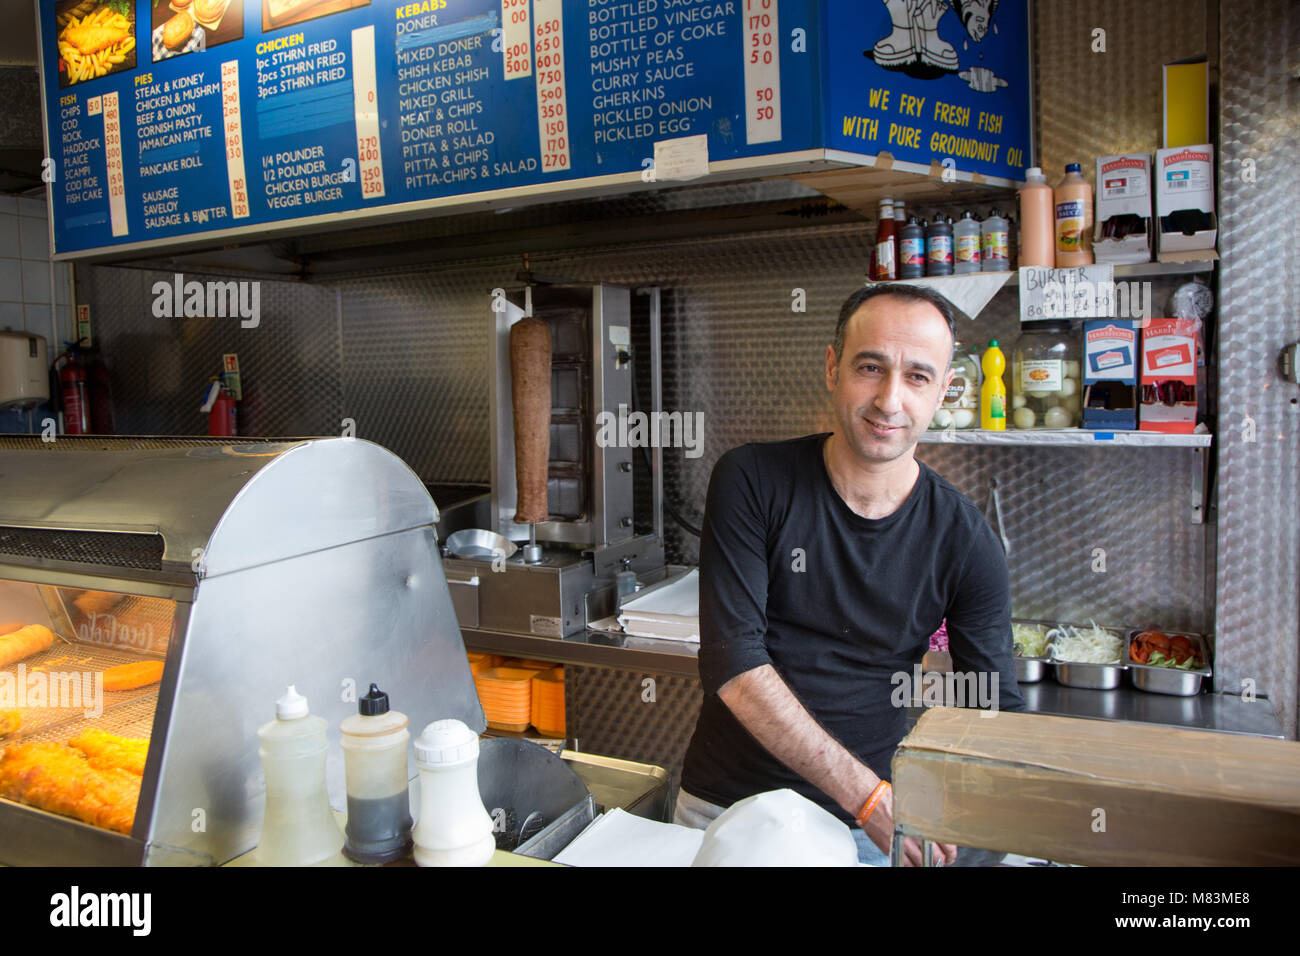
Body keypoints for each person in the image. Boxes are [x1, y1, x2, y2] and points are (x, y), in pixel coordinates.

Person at [675, 283, 1025, 866]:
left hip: (868, 834)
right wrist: (871, 799)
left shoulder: (965, 539)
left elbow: (992, 708)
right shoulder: (753, 481)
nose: (889, 400)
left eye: (917, 376)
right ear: (833, 368)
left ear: (943, 391)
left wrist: (964, 822)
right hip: (727, 812)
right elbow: (733, 663)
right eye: (871, 366)